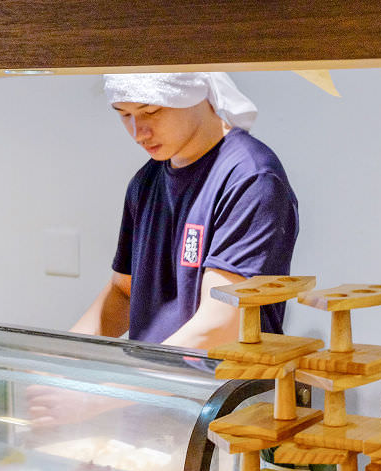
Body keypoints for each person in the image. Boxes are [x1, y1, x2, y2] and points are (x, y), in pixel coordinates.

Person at [70, 72, 300, 350]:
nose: (138, 131)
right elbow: (124, 292)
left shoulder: (250, 177)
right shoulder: (146, 182)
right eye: (123, 114)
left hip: (221, 385)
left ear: (193, 95)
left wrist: (117, 390)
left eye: (151, 111)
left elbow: (222, 322)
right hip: (156, 382)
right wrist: (63, 360)